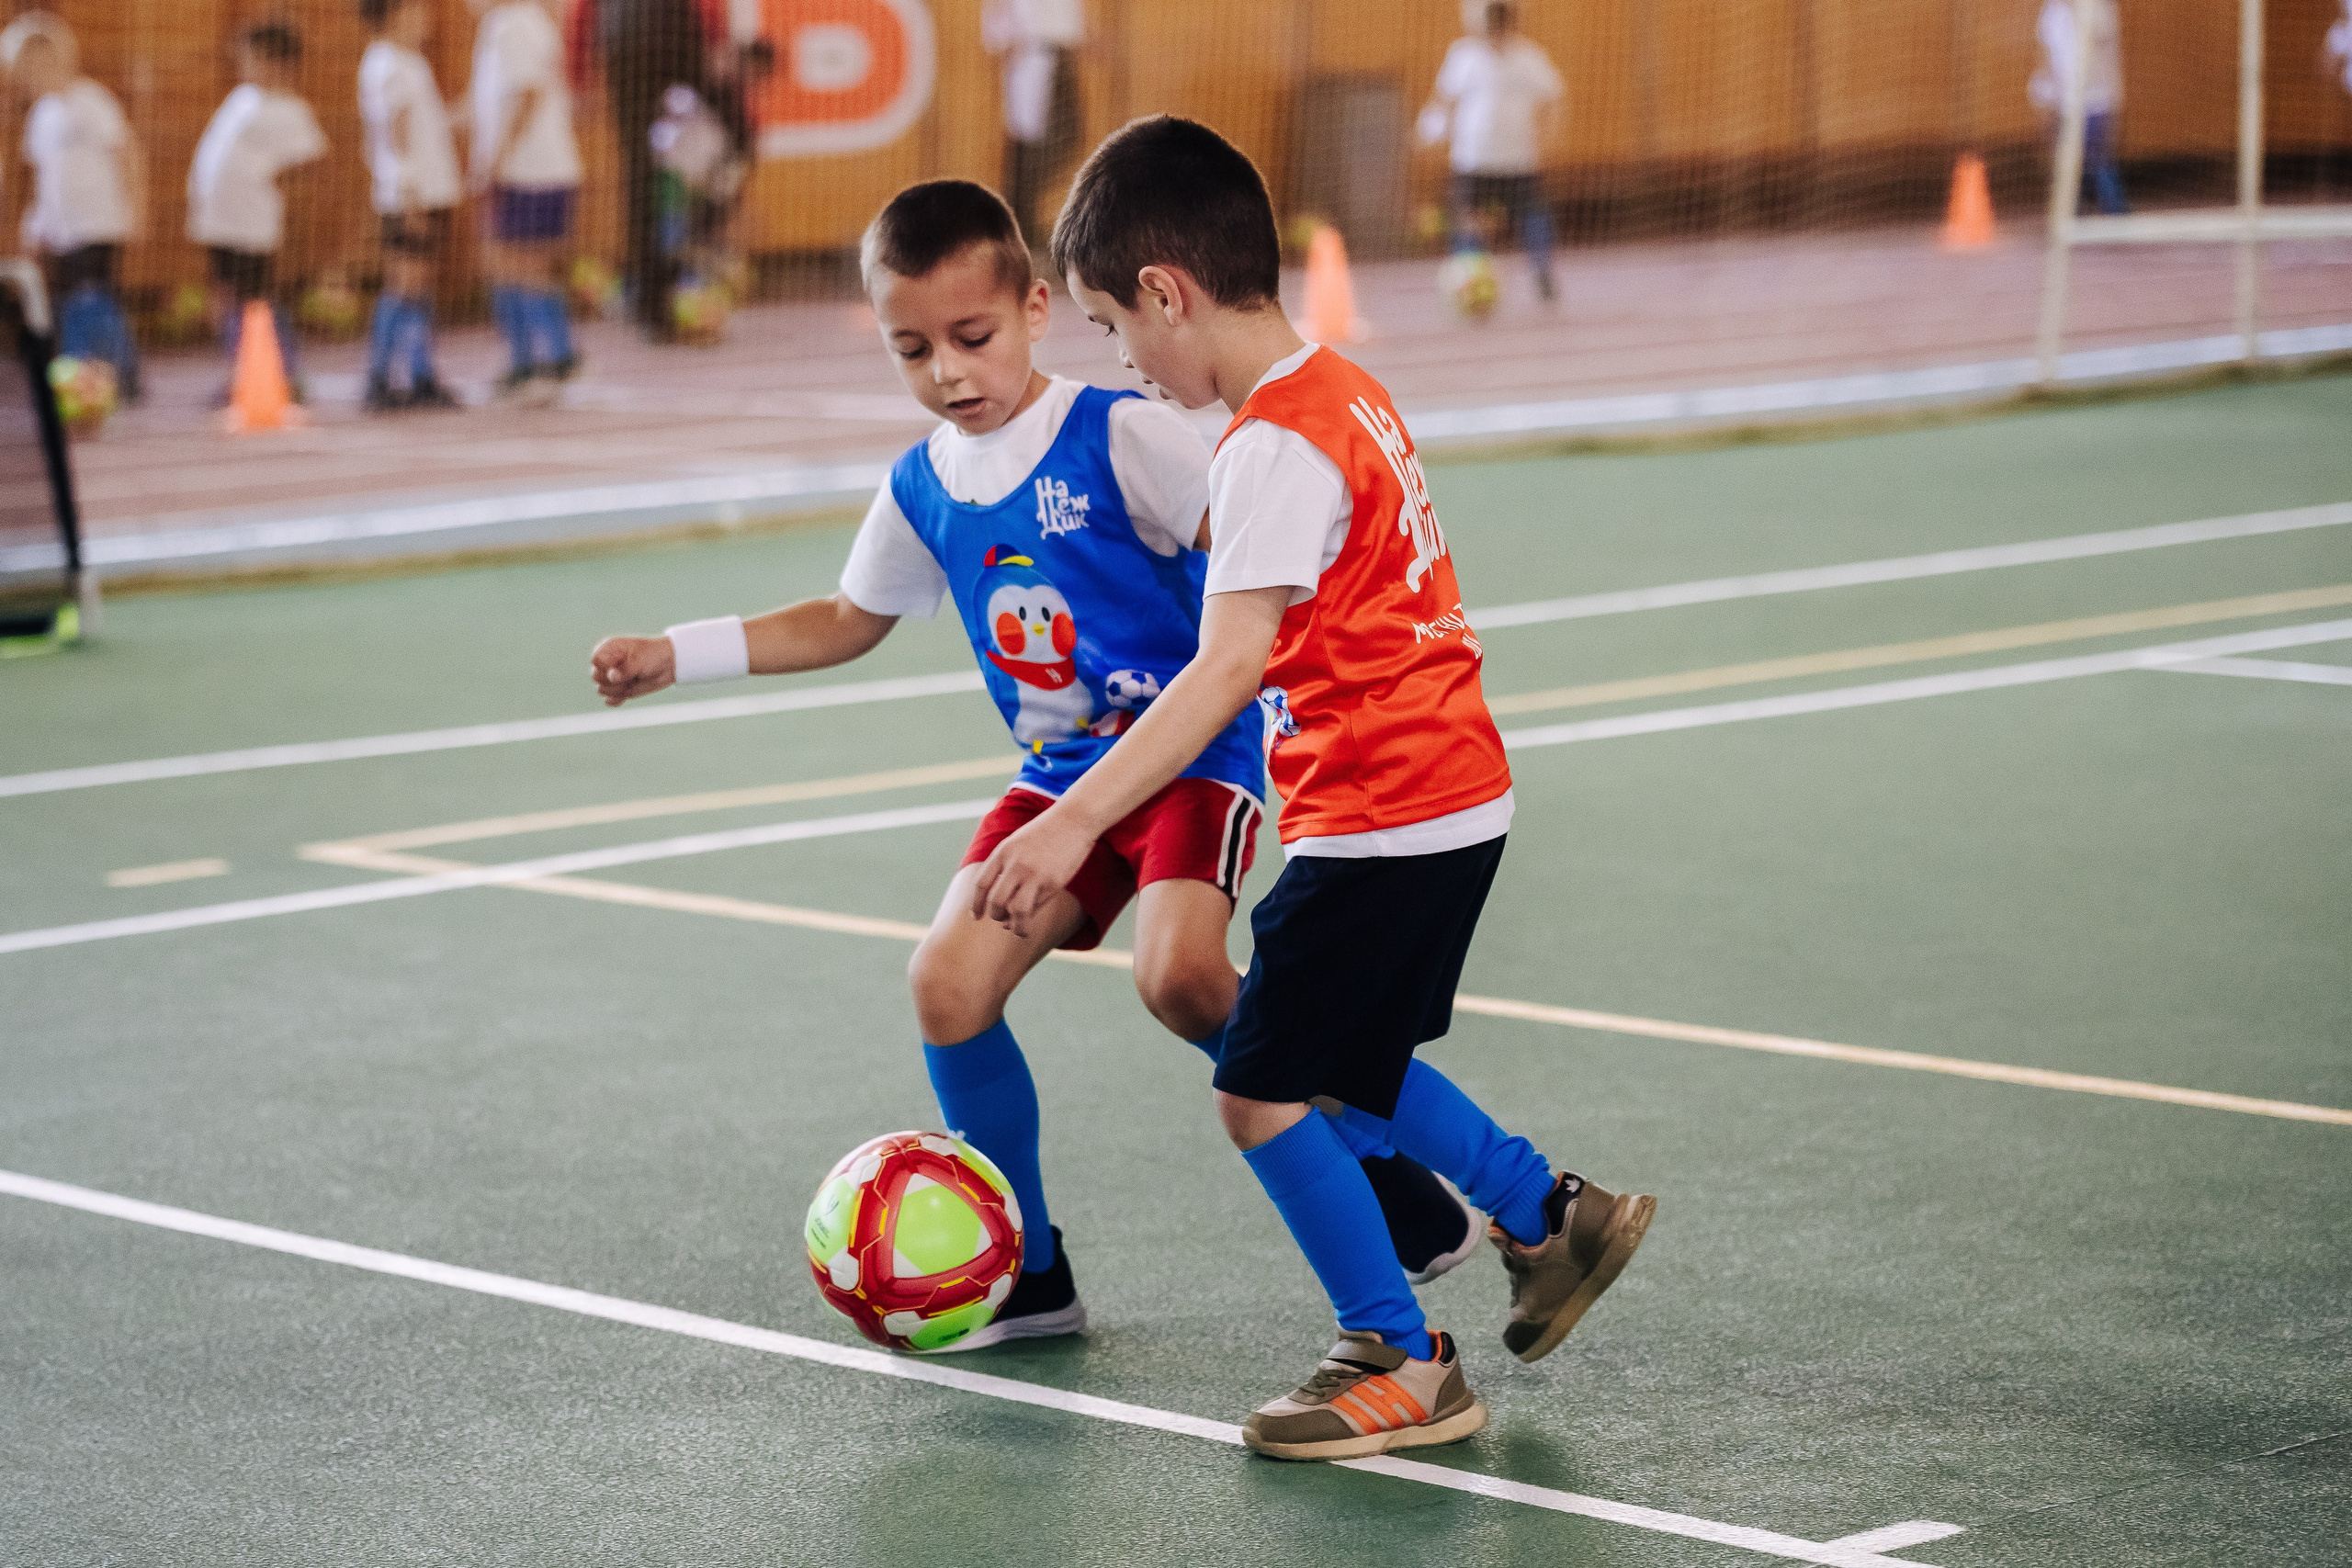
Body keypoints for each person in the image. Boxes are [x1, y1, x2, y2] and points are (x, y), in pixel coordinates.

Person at [587, 179, 1483, 1351]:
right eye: (913, 349)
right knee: (945, 985)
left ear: (1036, 309)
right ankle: (1032, 1275)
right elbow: (848, 618)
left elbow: (1256, 563)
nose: (950, 372)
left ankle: (1398, 1186)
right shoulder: (923, 484)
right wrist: (680, 653)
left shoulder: (1125, 431)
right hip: (1058, 780)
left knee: (1185, 980)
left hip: (1190, 753)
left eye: (972, 337)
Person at [990, 116, 1654, 1458]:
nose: (1127, 360)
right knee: (1345, 1055)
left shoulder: (1269, 444)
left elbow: (1223, 666)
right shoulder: (1341, 386)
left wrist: (1076, 816)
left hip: (1386, 813)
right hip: (1444, 795)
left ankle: (1401, 1358)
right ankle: (1549, 1210)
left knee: (1259, 1084)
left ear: (1169, 292)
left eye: (1121, 327)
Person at [2, 12, 142, 400]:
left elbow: (126, 152)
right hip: (63, 230)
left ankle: (102, 375)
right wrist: (33, 227)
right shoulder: (41, 118)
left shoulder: (91, 101)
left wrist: (135, 208)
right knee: (71, 302)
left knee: (91, 301)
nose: (29, 82)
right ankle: (103, 374)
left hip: (100, 223)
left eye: (34, 70)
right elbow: (43, 181)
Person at [187, 21, 326, 404]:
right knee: (226, 298)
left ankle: (281, 372)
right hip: (219, 219)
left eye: (253, 59)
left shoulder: (291, 110)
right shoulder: (243, 98)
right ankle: (241, 371)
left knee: (256, 302)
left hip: (251, 223)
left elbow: (310, 164)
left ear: (278, 64)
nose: (245, 66)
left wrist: (276, 185)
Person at [468, 0, 583, 402]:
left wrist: (494, 163)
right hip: (534, 167)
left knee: (520, 265)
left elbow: (529, 94)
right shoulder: (510, 24)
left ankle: (548, 360)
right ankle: (536, 359)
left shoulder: (514, 24)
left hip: (531, 169)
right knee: (513, 264)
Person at [358, 0, 463, 412]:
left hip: (428, 191)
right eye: (415, 11)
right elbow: (395, 131)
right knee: (405, 287)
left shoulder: (407, 62)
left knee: (417, 290)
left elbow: (423, 126)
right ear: (394, 15)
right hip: (412, 196)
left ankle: (420, 375)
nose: (424, 19)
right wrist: (409, 191)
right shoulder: (390, 64)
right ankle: (379, 377)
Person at [1421, 0, 1563, 302]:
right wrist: (1432, 127)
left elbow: (1553, 97)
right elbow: (1445, 99)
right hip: (1473, 158)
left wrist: (1549, 137)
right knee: (1467, 219)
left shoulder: (1528, 56)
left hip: (1518, 157)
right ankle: (1469, 279)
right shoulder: (1463, 55)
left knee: (1533, 215)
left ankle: (1542, 270)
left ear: (1511, 23)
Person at [593, 0, 707, 338]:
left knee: (643, 188)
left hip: (640, 63)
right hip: (661, 61)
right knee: (656, 191)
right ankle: (659, 296)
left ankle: (653, 299)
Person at [982, 0, 1084, 253]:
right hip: (1032, 55)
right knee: (1028, 146)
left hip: (1059, 55)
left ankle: (1020, 218)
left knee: (1064, 138)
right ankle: (1017, 222)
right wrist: (1000, 37)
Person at [2031, 0, 2128, 216]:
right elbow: (2047, 54)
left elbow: (2102, 41)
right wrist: (2047, 89)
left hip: (2095, 99)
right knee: (2065, 165)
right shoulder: (2052, 10)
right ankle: (2067, 219)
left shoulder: (2099, 7)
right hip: (2064, 102)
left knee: (2097, 162)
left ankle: (2119, 219)